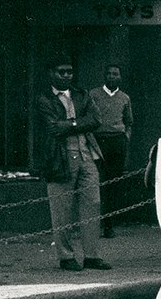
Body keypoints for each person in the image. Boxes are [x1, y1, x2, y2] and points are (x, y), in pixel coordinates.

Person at [35, 58, 109, 272]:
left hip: (87, 156)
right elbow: (52, 128)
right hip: (60, 158)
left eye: (69, 72)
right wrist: (79, 123)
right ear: (51, 73)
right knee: (62, 209)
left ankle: (92, 256)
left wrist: (69, 125)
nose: (66, 76)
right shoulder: (44, 99)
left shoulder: (81, 94)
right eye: (61, 72)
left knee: (92, 204)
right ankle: (66, 256)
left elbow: (96, 119)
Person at [88, 64, 133, 238]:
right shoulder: (94, 95)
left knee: (114, 182)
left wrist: (125, 138)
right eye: (109, 74)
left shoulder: (124, 98)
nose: (112, 77)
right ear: (104, 76)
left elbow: (129, 122)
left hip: (117, 142)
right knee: (98, 181)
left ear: (120, 77)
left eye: (116, 74)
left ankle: (109, 225)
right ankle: (93, 223)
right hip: (99, 141)